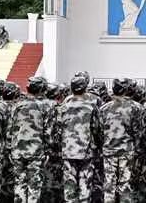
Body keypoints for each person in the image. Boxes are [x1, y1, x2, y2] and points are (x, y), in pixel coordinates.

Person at [49, 74, 102, 203]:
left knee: (69, 184)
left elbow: (56, 130)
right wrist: (97, 146)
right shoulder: (91, 107)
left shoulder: (62, 107)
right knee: (85, 184)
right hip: (86, 151)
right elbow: (97, 129)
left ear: (71, 88)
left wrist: (59, 146)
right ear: (85, 88)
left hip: (68, 150)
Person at [100, 78, 146, 203]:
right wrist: (138, 151)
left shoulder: (104, 108)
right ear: (126, 90)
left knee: (109, 185)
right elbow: (139, 133)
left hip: (109, 151)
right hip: (127, 151)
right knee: (125, 186)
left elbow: (98, 131)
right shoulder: (136, 108)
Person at [7, 76, 51, 203]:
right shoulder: (44, 107)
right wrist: (47, 150)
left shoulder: (17, 105)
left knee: (19, 184)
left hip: (17, 151)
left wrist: (10, 148)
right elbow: (47, 132)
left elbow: (10, 129)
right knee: (34, 186)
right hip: (36, 151)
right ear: (41, 89)